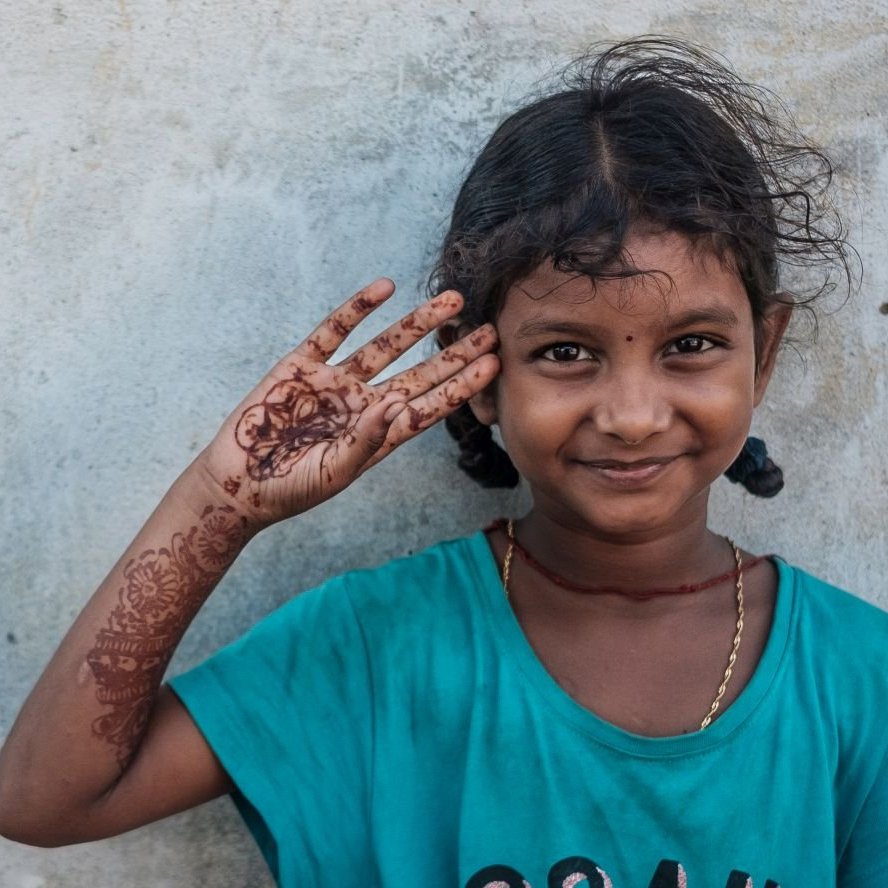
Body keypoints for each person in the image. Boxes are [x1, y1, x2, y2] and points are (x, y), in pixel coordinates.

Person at [0, 36, 884, 888]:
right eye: (565, 353)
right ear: (478, 372)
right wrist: (217, 505)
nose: (631, 416)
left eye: (690, 345)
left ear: (764, 353)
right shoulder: (372, 647)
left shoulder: (859, 676)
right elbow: (46, 800)